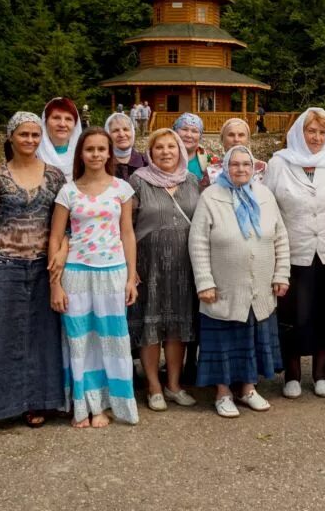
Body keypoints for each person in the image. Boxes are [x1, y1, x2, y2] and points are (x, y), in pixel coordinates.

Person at [0, 112, 67, 438]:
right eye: (24, 135)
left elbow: (65, 222)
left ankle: (37, 401)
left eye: (36, 135)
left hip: (42, 265)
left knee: (41, 336)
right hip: (2, 264)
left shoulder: (54, 177)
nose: (30, 141)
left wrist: (62, 254)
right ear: (11, 137)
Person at [48, 127, 140, 428]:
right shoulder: (68, 191)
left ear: (109, 153)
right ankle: (82, 404)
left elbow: (127, 232)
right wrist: (55, 284)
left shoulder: (121, 189)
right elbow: (56, 237)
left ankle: (103, 404)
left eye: (102, 149)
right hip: (76, 273)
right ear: (81, 154)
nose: (96, 155)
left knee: (110, 341)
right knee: (80, 341)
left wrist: (130, 277)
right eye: (90, 150)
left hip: (112, 272)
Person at [189, 146, 290, 418]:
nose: (241, 169)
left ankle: (248, 389)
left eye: (246, 164)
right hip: (223, 287)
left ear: (254, 167)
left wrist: (282, 273)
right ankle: (222, 393)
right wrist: (204, 282)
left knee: (253, 336)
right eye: (235, 164)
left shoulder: (264, 195)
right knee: (223, 339)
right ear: (225, 166)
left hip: (260, 287)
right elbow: (197, 243)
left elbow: (280, 236)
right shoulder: (211, 196)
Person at [265, 108, 325, 399]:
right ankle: (292, 373)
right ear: (298, 133)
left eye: (321, 132)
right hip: (292, 251)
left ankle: (321, 372)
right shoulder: (279, 163)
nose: (316, 137)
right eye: (311, 131)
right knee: (293, 313)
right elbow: (268, 206)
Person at [128, 128, 201, 411]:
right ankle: (153, 386)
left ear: (180, 150)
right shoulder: (138, 181)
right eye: (159, 147)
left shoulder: (193, 181)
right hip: (149, 264)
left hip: (185, 265)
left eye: (172, 146)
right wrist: (130, 267)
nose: (166, 152)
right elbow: (127, 227)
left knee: (178, 325)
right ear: (150, 152)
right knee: (151, 324)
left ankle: (173, 384)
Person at [208, 118, 267, 184]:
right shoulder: (210, 171)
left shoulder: (263, 168)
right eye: (231, 135)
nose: (236, 139)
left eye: (241, 135)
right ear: (222, 140)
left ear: (248, 140)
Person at [37, 97, 83, 182]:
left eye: (68, 119)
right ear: (45, 122)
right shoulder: (33, 155)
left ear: (75, 125)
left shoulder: (83, 157)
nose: (62, 124)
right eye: (56, 118)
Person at [105, 111, 149, 181]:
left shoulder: (146, 163)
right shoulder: (103, 164)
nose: (122, 134)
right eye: (116, 130)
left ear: (133, 133)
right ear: (108, 135)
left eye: (126, 129)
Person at [174, 112, 212, 186]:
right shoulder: (165, 156)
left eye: (194, 131)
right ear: (175, 131)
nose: (189, 135)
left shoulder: (209, 160)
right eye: (184, 129)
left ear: (200, 136)